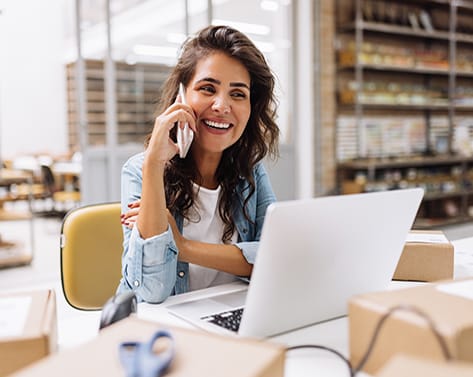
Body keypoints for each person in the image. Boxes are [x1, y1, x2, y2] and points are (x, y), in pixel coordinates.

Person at [117, 25, 280, 303]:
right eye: (208, 88)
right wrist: (154, 164)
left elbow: (274, 260)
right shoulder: (140, 169)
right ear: (181, 97)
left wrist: (182, 246)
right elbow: (151, 291)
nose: (221, 105)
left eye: (238, 94)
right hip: (166, 327)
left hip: (230, 316)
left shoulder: (249, 170)